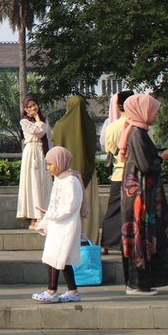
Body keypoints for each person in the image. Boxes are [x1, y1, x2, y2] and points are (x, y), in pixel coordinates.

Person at [119, 94, 168, 296]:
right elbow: (146, 165)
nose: (156, 114)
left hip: (144, 197)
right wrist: (163, 156)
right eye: (153, 110)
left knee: (152, 239)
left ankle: (153, 282)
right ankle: (143, 283)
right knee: (148, 238)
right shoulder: (137, 134)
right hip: (142, 199)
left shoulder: (137, 132)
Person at [32, 146, 84, 303]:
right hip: (58, 226)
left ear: (60, 162)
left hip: (66, 226)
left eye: (50, 164)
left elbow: (70, 206)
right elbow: (55, 206)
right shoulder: (60, 180)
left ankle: (51, 291)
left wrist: (51, 215)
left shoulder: (71, 181)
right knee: (62, 259)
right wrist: (45, 222)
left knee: (54, 258)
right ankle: (73, 291)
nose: (48, 168)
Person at [52, 96, 100, 242]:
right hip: (87, 172)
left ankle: (69, 239)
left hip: (66, 175)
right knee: (89, 208)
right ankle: (89, 238)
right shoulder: (90, 126)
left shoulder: (60, 126)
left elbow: (56, 149)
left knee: (68, 207)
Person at [100, 90, 134, 253]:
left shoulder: (112, 126)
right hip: (134, 175)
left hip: (118, 172)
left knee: (113, 209)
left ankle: (106, 244)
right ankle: (129, 242)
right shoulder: (137, 126)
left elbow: (110, 149)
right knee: (132, 211)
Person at [18, 96, 52, 230]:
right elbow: (38, 132)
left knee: (44, 183)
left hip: (42, 152)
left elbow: (48, 136)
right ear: (26, 110)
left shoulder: (44, 121)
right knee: (34, 184)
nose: (33, 108)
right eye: (30, 106)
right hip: (32, 151)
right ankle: (35, 217)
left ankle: (44, 215)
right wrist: (38, 119)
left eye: (35, 105)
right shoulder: (24, 122)